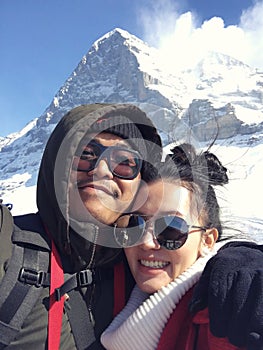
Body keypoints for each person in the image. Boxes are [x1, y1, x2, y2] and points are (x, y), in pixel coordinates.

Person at [0, 104, 262, 350]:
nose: (147, 242)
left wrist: (244, 261)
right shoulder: (10, 246)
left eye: (171, 228)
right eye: (84, 155)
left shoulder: (221, 315)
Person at [101, 143, 263, 350]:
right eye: (134, 224)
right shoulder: (115, 292)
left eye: (171, 228)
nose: (146, 241)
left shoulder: (228, 319)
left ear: (207, 241)